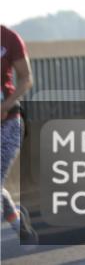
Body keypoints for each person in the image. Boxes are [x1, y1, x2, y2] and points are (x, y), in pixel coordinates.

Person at [1, 25, 37, 245]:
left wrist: (5, 105)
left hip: (9, 122)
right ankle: (18, 223)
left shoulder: (9, 38)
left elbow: (26, 78)